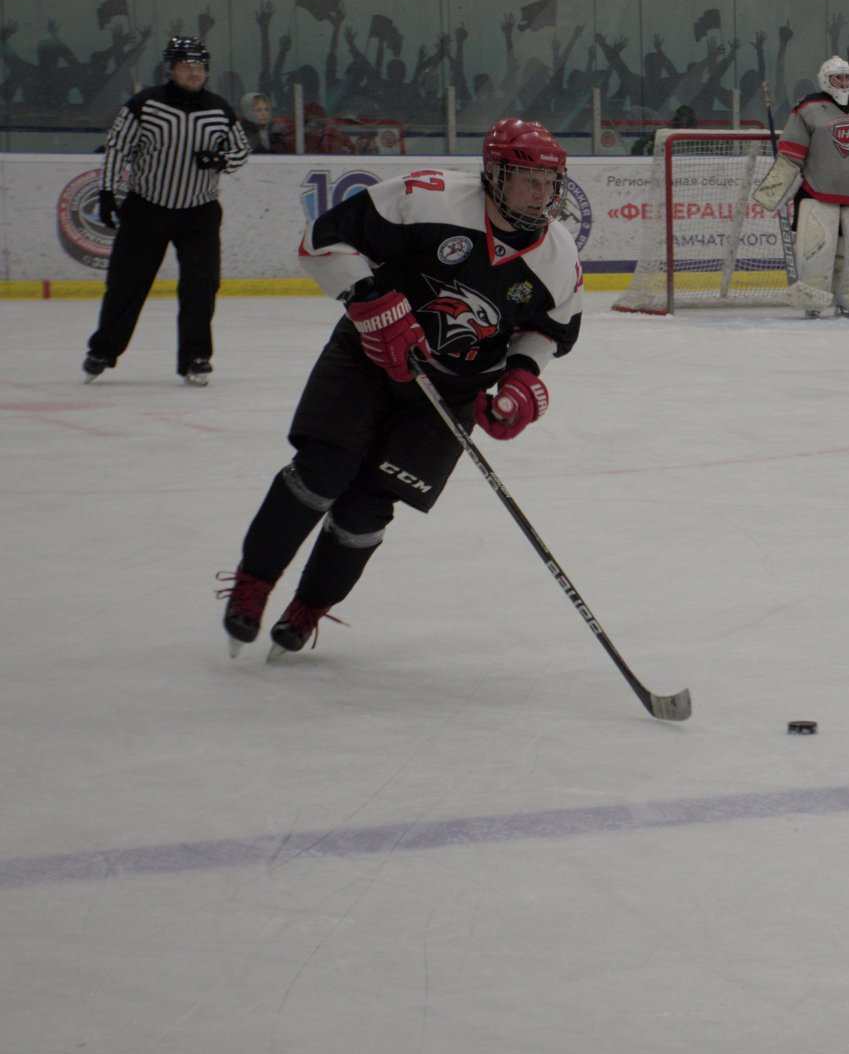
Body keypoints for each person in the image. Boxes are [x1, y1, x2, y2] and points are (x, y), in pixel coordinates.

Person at [217, 119, 583, 660]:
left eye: (548, 181)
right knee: (322, 470)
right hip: (368, 359)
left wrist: (521, 381)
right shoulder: (427, 198)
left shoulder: (558, 256)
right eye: (527, 178)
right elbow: (322, 240)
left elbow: (549, 330)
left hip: (449, 395)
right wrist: (369, 303)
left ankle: (308, 608)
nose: (539, 192)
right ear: (493, 174)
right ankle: (253, 583)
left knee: (369, 506)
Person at [83, 36, 250, 386]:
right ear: (170, 68)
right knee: (126, 284)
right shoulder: (144, 104)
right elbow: (117, 148)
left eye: (200, 67)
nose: (194, 73)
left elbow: (241, 151)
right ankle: (103, 350)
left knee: (201, 285)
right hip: (147, 208)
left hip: (199, 212)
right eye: (186, 66)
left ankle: (196, 357)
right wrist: (108, 191)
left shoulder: (219, 109)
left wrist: (220, 160)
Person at [751, 55, 849, 317]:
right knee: (817, 248)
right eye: (837, 77)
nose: (843, 82)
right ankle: (812, 298)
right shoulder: (808, 108)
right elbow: (791, 154)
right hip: (815, 193)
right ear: (824, 80)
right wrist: (776, 190)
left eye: (847, 77)